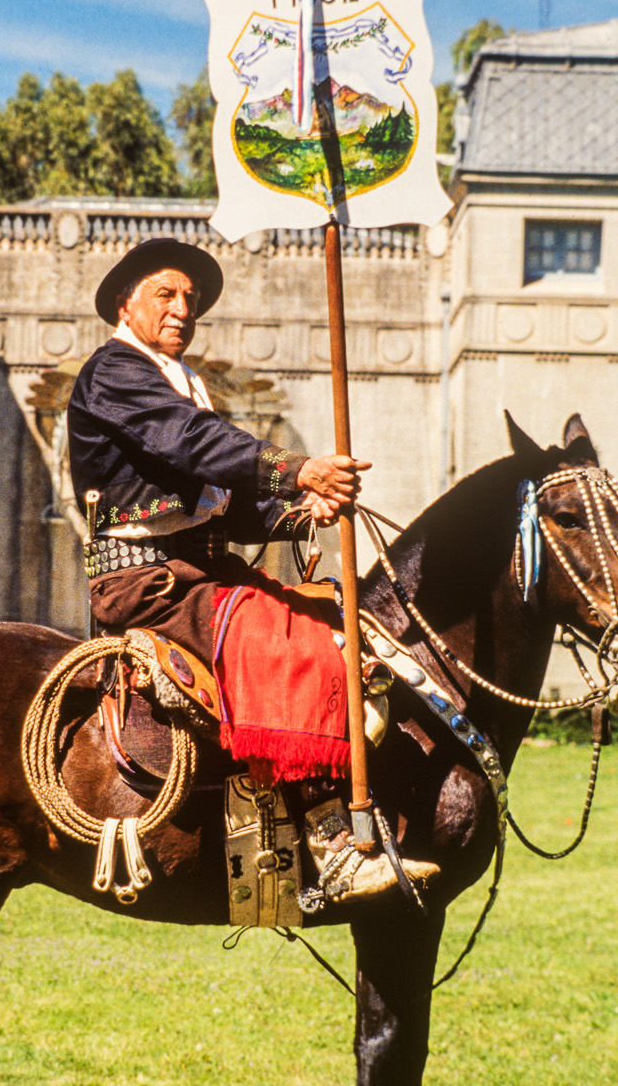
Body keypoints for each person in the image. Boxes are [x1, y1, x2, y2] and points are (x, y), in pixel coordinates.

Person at [66, 236, 433, 903]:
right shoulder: (114, 371)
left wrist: (301, 508)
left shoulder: (177, 383)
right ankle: (333, 847)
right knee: (286, 646)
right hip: (146, 584)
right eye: (166, 294)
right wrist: (299, 468)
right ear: (126, 305)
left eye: (191, 300)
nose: (183, 309)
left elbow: (223, 503)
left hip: (202, 573)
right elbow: (192, 441)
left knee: (331, 619)